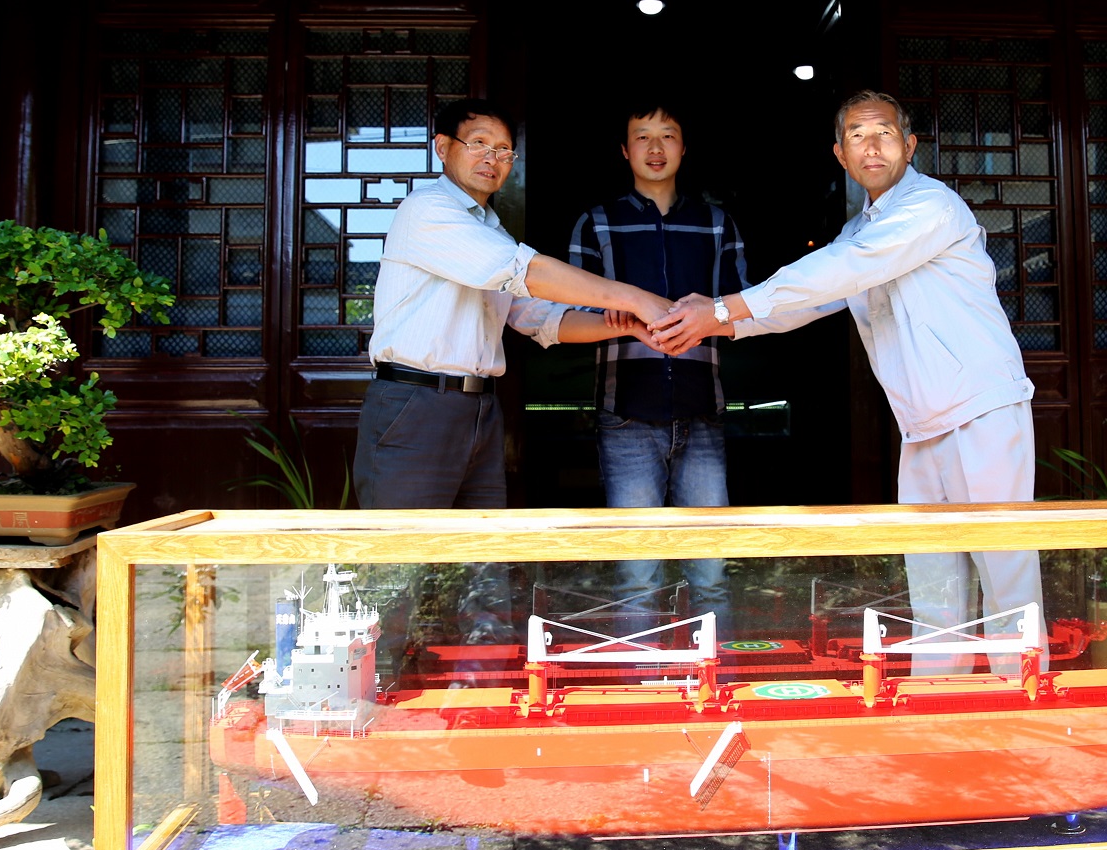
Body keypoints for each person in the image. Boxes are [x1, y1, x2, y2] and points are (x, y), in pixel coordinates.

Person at [650, 89, 1040, 671]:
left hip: (981, 408)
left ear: (909, 146)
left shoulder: (931, 208)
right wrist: (720, 326)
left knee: (1005, 573)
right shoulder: (861, 227)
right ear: (840, 153)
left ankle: (1023, 702)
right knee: (932, 579)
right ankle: (941, 703)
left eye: (884, 132)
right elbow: (813, 298)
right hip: (923, 421)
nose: (872, 145)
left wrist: (726, 308)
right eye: (857, 135)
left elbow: (842, 271)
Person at [354, 100, 671, 513]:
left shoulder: (491, 230)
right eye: (479, 143)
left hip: (481, 409)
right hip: (417, 403)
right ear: (442, 147)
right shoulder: (426, 209)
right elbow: (525, 271)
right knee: (406, 559)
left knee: (481, 563)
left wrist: (627, 325)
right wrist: (637, 298)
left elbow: (541, 318)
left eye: (503, 150)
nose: (493, 158)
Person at [569, 104, 747, 635]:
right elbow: (567, 312)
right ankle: (639, 687)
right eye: (641, 137)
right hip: (625, 413)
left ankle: (716, 682)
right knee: (637, 570)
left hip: (702, 412)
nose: (654, 147)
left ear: (683, 147)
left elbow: (748, 308)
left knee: (711, 568)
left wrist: (708, 320)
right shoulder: (597, 222)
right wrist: (616, 320)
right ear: (624, 150)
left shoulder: (717, 224)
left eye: (667, 135)